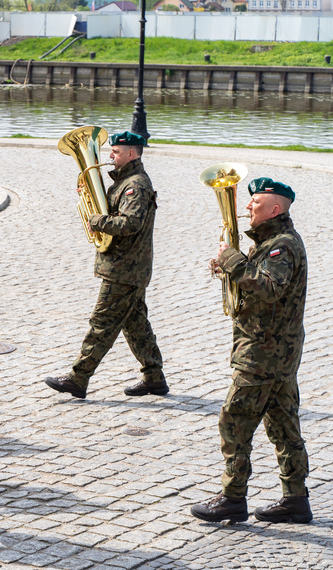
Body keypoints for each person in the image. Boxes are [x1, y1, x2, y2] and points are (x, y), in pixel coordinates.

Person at [191, 178, 311, 524]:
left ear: (275, 209)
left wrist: (234, 261)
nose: (247, 207)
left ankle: (232, 498)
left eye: (254, 202)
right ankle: (295, 499)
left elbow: (270, 288)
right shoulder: (273, 241)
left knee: (234, 421)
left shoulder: (281, 246)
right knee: (284, 425)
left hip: (263, 353)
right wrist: (231, 268)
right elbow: (257, 284)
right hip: (276, 352)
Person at [44, 131, 167, 400]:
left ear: (132, 154)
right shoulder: (125, 182)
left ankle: (78, 378)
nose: (110, 156)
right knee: (135, 324)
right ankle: (154, 378)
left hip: (125, 269)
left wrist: (97, 220)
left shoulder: (136, 185)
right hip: (126, 267)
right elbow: (115, 211)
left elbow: (130, 223)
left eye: (116, 152)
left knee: (101, 323)